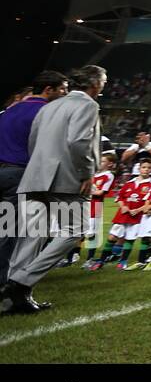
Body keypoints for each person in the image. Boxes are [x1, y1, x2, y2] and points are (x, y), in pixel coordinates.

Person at [1, 65, 103, 315]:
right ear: (95, 83)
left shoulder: (49, 105)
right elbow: (78, 141)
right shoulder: (88, 105)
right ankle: (21, 283)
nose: (104, 85)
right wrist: (86, 173)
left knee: (31, 235)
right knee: (75, 230)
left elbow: (34, 140)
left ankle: (12, 299)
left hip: (34, 176)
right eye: (104, 80)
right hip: (66, 179)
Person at [0, 70, 69, 282]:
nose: (66, 94)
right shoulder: (47, 113)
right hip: (20, 174)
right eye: (63, 89)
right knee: (11, 231)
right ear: (48, 90)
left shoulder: (10, 110)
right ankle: (4, 281)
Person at [105, 157, 151, 272]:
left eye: (149, 168)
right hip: (124, 215)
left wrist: (139, 209)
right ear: (139, 168)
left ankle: (147, 256)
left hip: (140, 216)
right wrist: (123, 206)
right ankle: (109, 256)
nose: (146, 170)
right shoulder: (129, 183)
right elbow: (119, 197)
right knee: (113, 236)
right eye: (143, 167)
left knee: (142, 237)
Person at [82, 149, 118, 270]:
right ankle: (72, 256)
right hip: (84, 204)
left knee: (92, 234)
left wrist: (87, 191)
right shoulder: (92, 174)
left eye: (103, 161)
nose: (100, 163)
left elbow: (101, 192)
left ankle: (90, 259)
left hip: (96, 206)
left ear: (110, 164)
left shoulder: (108, 175)